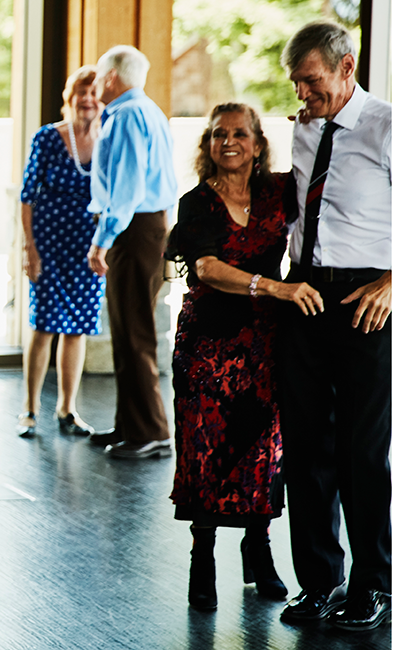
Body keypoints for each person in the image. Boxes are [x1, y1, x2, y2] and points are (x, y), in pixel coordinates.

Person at [165, 103, 325, 611]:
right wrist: (274, 288)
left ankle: (259, 550)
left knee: (264, 449)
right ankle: (203, 558)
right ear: (207, 145)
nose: (227, 141)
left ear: (258, 142)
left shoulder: (278, 191)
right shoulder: (197, 204)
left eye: (239, 133)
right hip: (208, 346)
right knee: (206, 449)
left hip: (265, 344)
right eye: (217, 134)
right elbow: (207, 269)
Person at [276, 21, 392, 631]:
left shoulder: (387, 125)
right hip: (304, 293)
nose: (301, 92)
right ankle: (319, 581)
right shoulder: (303, 128)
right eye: (296, 82)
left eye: (311, 80)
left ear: (346, 68)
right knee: (305, 448)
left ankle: (374, 585)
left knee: (362, 449)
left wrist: (393, 282)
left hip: (364, 295)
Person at [85, 45, 177, 459]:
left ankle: (150, 432)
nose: (97, 82)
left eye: (101, 75)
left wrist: (102, 239)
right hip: (146, 226)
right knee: (126, 329)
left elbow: (126, 188)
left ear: (112, 77)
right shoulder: (148, 111)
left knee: (134, 330)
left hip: (134, 229)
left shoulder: (125, 116)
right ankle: (131, 425)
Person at [16, 65, 105, 438]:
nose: (87, 99)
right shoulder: (47, 138)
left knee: (78, 329)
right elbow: (27, 196)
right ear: (70, 97)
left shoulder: (109, 139)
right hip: (49, 246)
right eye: (81, 92)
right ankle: (29, 410)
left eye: (93, 92)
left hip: (88, 250)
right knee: (43, 326)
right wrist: (29, 249)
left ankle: (68, 410)